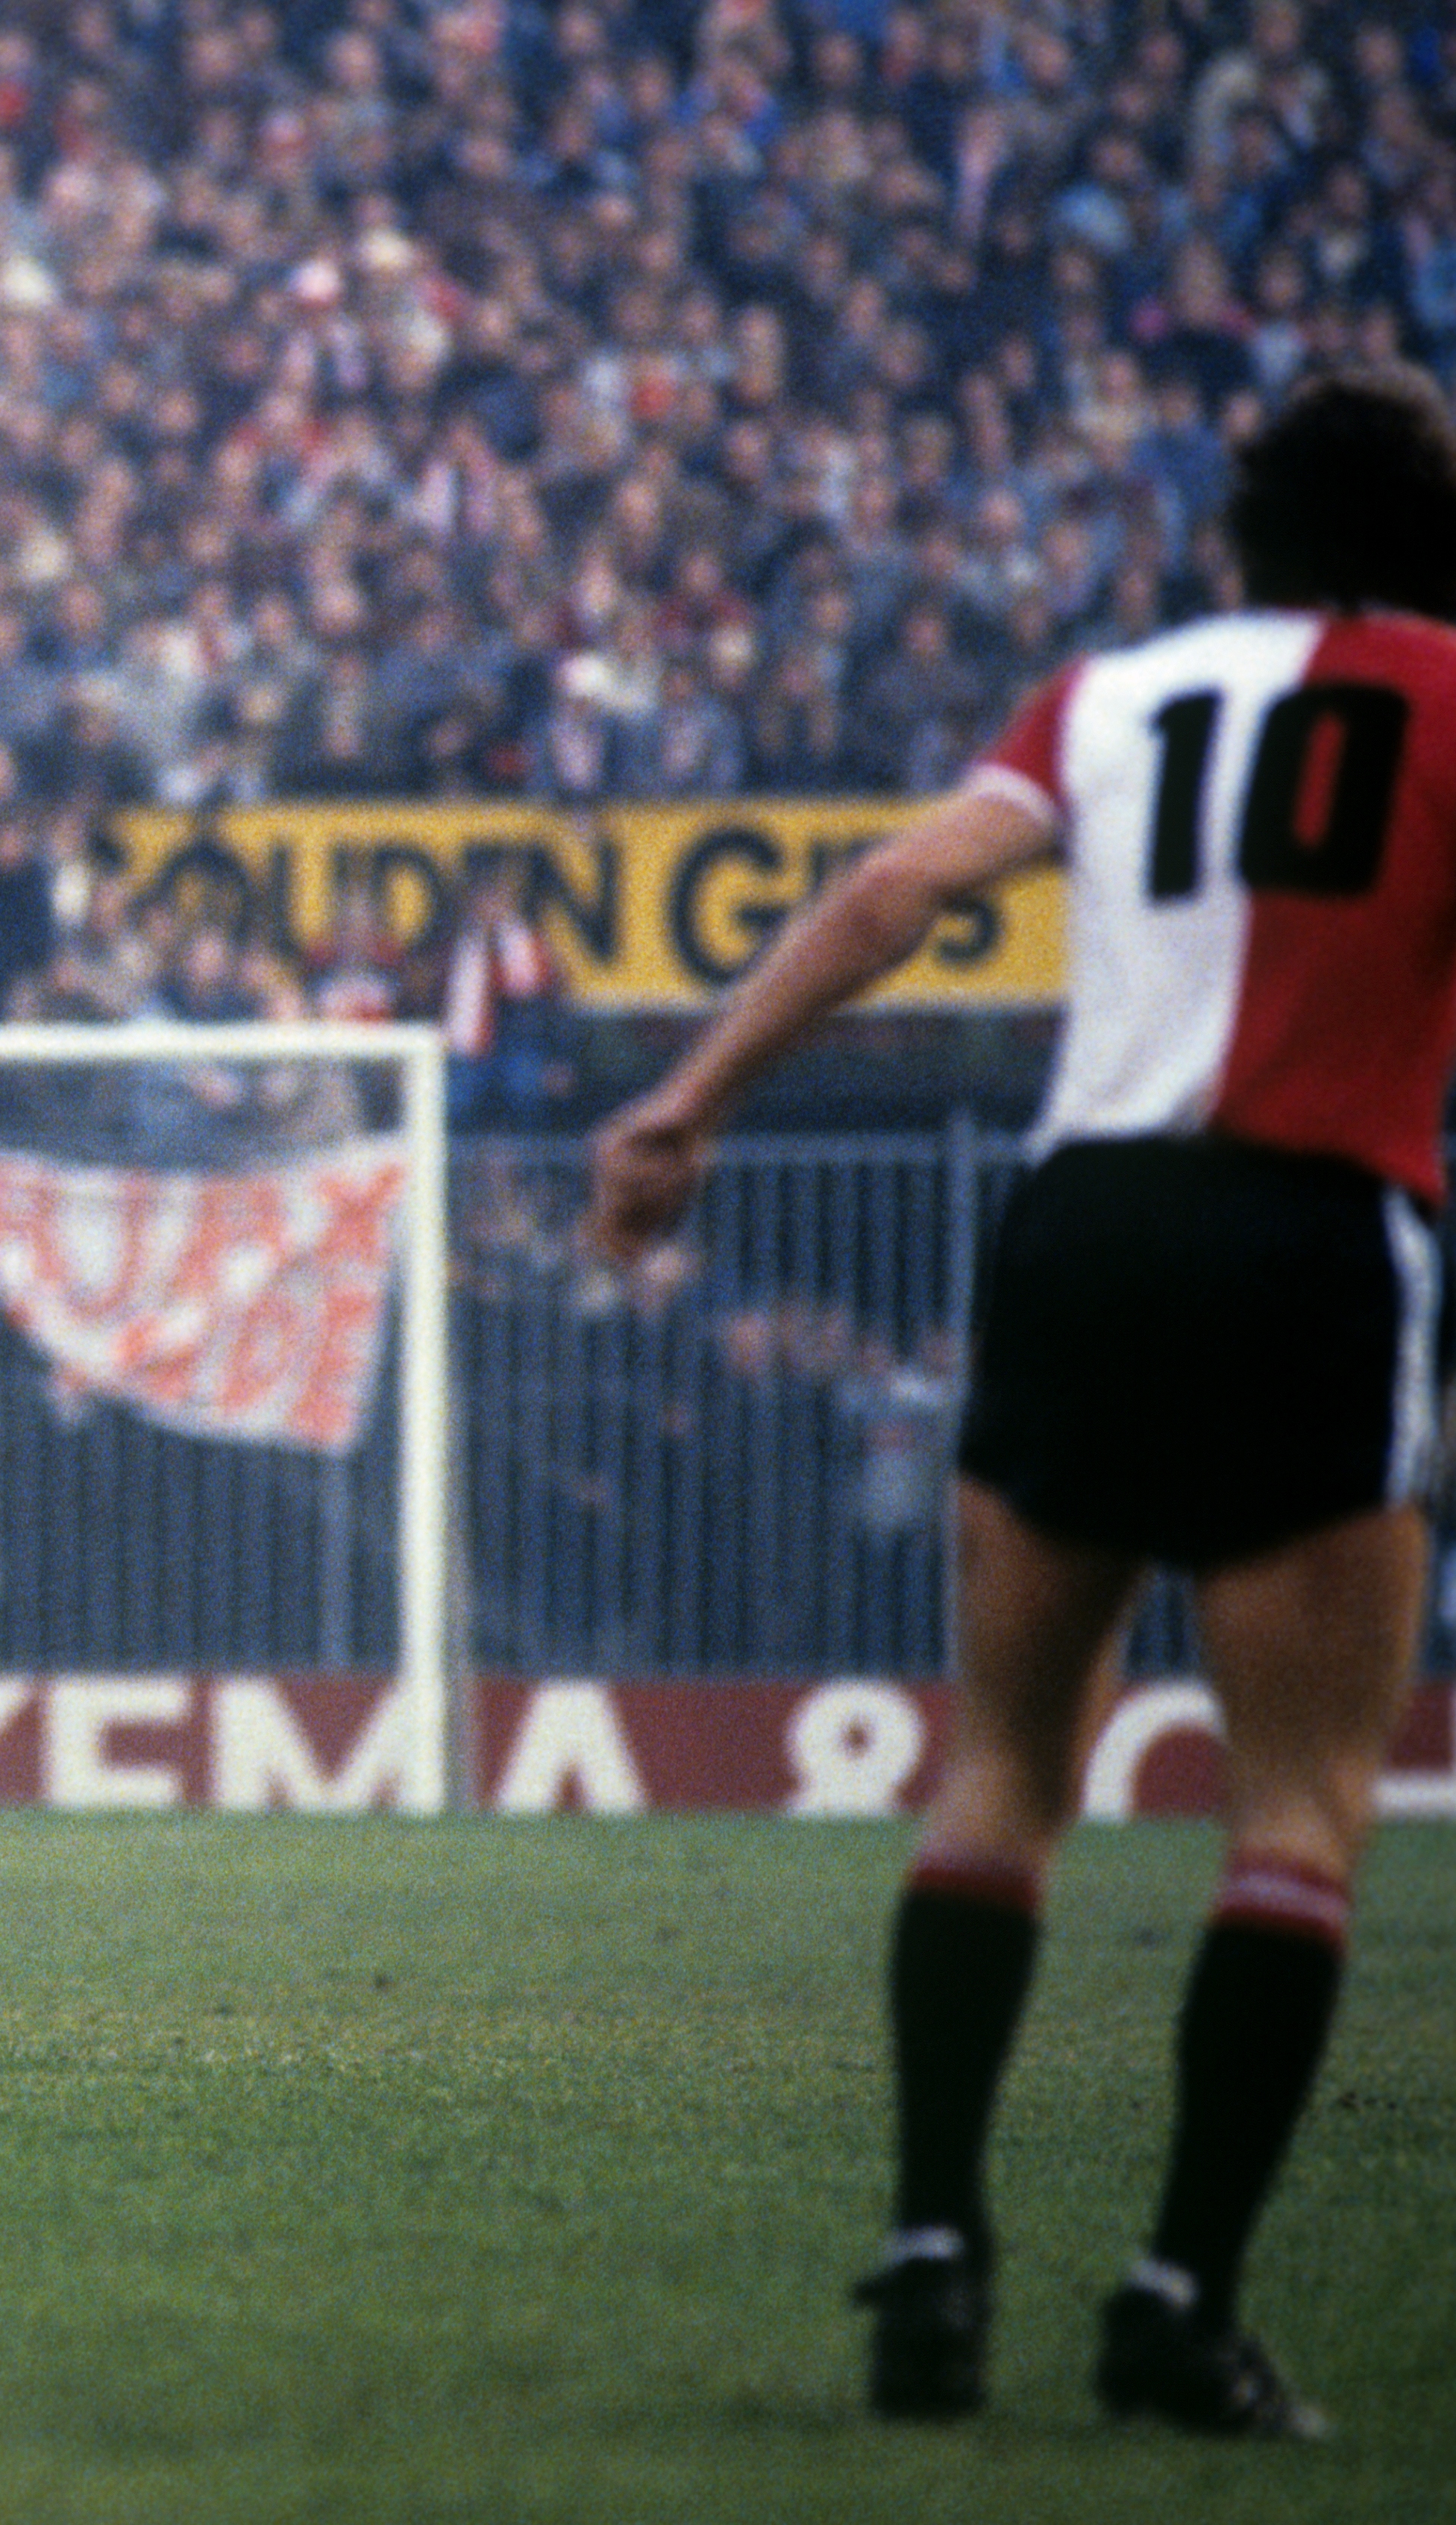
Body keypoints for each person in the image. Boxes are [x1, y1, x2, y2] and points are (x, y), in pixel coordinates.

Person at [586, 367, 1456, 2440]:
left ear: (1227, 531)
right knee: (1295, 1806)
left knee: (999, 1773)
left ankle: (928, 2249)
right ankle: (1172, 2295)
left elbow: (889, 895)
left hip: (1081, 1231)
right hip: (1313, 1232)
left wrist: (690, 1101)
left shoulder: (1112, 695)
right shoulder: (1443, 699)